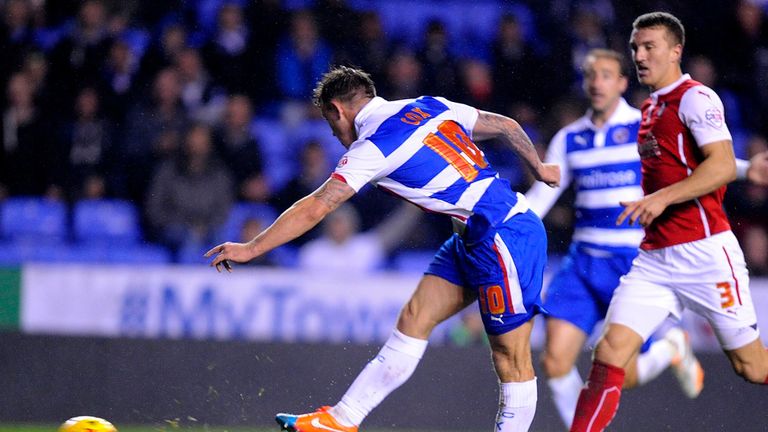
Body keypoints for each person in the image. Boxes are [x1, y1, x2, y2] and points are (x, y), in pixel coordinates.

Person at [205, 65, 560, 432]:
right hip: (471, 236)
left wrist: (251, 247)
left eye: (331, 125)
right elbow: (504, 125)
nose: (334, 134)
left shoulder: (373, 145)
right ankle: (341, 421)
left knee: (510, 358)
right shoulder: (430, 105)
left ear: (337, 110)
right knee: (414, 319)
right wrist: (538, 167)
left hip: (505, 236)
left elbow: (317, 205)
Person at [569, 13, 768, 432]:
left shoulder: (696, 98)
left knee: (751, 368)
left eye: (649, 47)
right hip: (655, 259)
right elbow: (693, 165)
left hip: (706, 253)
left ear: (676, 51)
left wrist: (661, 198)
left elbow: (719, 163)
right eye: (635, 48)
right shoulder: (651, 106)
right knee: (608, 353)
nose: (639, 56)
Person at [526, 48, 704, 430]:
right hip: (583, 262)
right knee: (554, 361)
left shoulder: (645, 128)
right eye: (591, 75)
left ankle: (669, 348)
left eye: (606, 74)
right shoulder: (569, 139)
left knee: (620, 373)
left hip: (630, 263)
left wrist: (739, 169)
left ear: (623, 83)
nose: (597, 82)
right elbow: (540, 199)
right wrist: (496, 219)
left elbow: (693, 170)